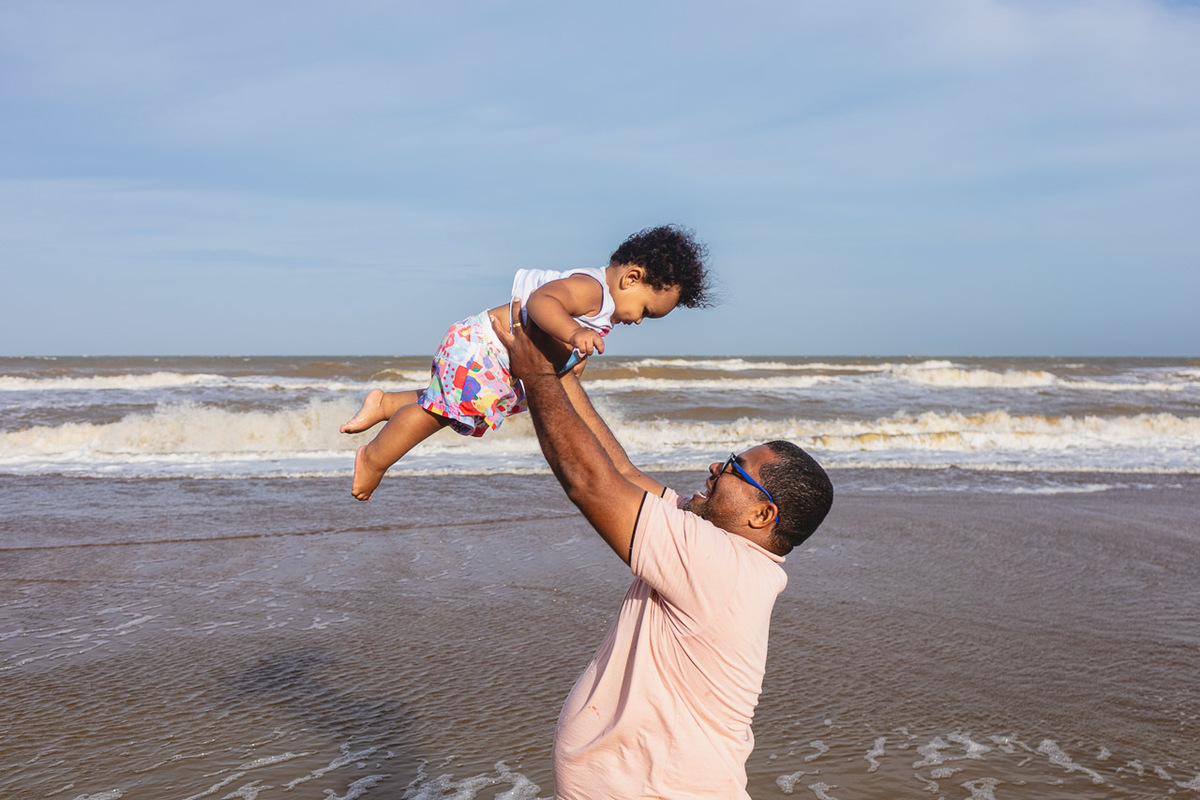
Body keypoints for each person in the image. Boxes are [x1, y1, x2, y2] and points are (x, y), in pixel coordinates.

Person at [490, 300, 834, 799]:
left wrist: (536, 375)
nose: (716, 467)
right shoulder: (714, 546)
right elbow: (621, 473)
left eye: (735, 469)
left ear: (762, 515)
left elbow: (589, 482)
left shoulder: (719, 564)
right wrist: (562, 378)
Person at [340, 225, 712, 501]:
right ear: (632, 278)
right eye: (646, 310)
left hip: (489, 357)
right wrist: (573, 333)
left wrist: (572, 359)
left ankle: (386, 404)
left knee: (446, 404)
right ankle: (375, 458)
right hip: (484, 348)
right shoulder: (593, 290)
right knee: (438, 415)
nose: (640, 321)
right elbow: (541, 302)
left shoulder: (604, 303)